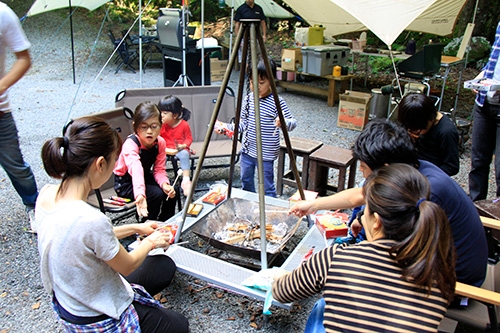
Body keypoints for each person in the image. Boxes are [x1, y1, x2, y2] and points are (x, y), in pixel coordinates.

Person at [290, 119, 487, 287]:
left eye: (365, 168)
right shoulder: (410, 171)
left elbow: (393, 250)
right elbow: (359, 194)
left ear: (384, 168)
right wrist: (313, 205)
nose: (362, 172)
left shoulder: (425, 192)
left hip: (452, 279)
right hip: (438, 259)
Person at [36, 116, 189, 332]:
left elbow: (83, 238)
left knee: (163, 266)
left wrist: (137, 228)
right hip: (94, 314)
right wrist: (151, 241)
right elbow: (126, 265)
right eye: (114, 160)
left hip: (72, 298)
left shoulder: (46, 195)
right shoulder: (89, 219)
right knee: (179, 326)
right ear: (100, 164)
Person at [275, 164, 456, 332]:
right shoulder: (441, 271)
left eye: (365, 209)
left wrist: (280, 276)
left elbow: (282, 292)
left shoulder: (337, 258)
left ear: (376, 221)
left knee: (322, 306)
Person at [215, 57, 297, 197]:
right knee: (245, 180)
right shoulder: (249, 99)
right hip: (248, 150)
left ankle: (269, 206)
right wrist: (227, 128)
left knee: (266, 184)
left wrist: (283, 122)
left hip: (266, 153)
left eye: (261, 82)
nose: (256, 86)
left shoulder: (277, 101)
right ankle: (250, 203)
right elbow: (243, 124)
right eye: (252, 82)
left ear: (271, 81)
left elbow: (293, 123)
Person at [0, 2, 38, 227]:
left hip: (0, 112)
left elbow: (24, 58)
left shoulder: (3, 13)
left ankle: (34, 206)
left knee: (16, 166)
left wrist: (1, 86)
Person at [114, 101, 177, 221]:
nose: (149, 131)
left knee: (172, 190)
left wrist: (165, 184)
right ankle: (146, 225)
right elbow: (136, 168)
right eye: (144, 127)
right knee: (155, 194)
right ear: (135, 127)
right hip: (125, 183)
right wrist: (140, 194)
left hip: (145, 176)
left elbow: (159, 169)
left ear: (161, 126)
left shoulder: (160, 142)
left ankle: (166, 222)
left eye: (154, 126)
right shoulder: (131, 144)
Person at [469, 21, 500, 201]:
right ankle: (476, 208)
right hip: (484, 103)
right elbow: (493, 62)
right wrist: (480, 78)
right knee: (478, 161)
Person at [398, 93, 460, 176]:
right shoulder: (413, 120)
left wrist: (427, 176)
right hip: (412, 167)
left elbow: (452, 167)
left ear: (431, 118)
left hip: (429, 175)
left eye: (417, 130)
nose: (413, 132)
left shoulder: (447, 132)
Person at [158, 95, 193, 197]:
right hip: (166, 148)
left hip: (179, 148)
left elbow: (189, 138)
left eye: (165, 113)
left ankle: (186, 181)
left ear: (175, 115)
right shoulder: (162, 125)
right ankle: (162, 179)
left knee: (184, 155)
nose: (161, 116)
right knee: (160, 158)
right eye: (160, 113)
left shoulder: (184, 124)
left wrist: (184, 145)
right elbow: (158, 137)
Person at [234, 0, 267, 67]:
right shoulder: (241, 9)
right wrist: (238, 38)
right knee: (245, 57)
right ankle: (247, 74)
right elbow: (237, 24)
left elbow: (263, 22)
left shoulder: (258, 8)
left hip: (257, 37)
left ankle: (255, 73)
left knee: (257, 56)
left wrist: (264, 35)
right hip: (244, 37)